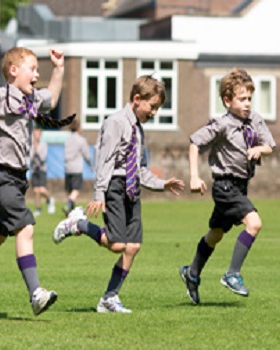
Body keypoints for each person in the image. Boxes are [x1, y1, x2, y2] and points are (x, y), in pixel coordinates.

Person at [0, 45, 73, 316]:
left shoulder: (30, 99)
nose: (36, 74)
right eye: (33, 69)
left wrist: (59, 69)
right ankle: (36, 293)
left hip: (18, 179)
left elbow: (52, 99)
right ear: (14, 71)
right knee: (25, 227)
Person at [52, 75, 184, 313]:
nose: (154, 112)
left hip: (132, 189)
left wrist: (162, 184)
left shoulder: (139, 130)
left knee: (132, 247)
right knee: (116, 245)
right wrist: (99, 193)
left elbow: (141, 169)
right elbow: (105, 158)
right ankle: (78, 224)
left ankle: (109, 298)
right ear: (137, 99)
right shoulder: (116, 122)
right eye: (152, 106)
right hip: (114, 184)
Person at [179, 68, 276, 305]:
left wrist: (258, 149)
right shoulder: (221, 124)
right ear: (227, 100)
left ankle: (192, 273)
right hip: (224, 186)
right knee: (254, 223)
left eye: (249, 99)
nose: (247, 104)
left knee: (215, 234)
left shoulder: (255, 120)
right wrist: (194, 176)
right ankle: (232, 274)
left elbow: (269, 146)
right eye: (241, 99)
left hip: (240, 187)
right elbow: (194, 142)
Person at [62, 118, 92, 216]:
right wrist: (91, 165)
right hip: (76, 168)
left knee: (70, 190)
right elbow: (87, 154)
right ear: (79, 128)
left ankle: (70, 212)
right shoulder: (81, 140)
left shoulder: (67, 140)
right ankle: (68, 204)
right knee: (76, 190)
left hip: (67, 168)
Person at [31, 127, 55, 216]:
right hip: (34, 169)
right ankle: (38, 208)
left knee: (41, 189)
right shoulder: (31, 144)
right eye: (35, 133)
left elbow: (43, 157)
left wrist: (37, 150)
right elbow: (30, 157)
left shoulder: (43, 144)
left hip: (41, 169)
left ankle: (50, 198)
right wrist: (34, 150)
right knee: (35, 190)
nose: (36, 135)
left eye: (37, 133)